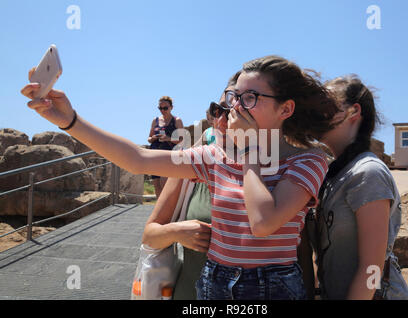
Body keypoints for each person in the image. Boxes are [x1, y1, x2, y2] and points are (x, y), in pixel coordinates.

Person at [21, 55, 340, 300]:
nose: (235, 108)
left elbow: (263, 222)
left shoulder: (308, 160)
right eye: (234, 97)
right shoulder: (217, 156)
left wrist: (251, 150)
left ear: (285, 110)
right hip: (213, 281)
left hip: (272, 286)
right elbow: (138, 158)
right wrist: (70, 120)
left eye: (250, 98)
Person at [306, 75, 408, 300]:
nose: (316, 112)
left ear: (353, 112)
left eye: (326, 104)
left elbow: (372, 268)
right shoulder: (332, 175)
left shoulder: (368, 173)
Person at [141, 79, 236, 299]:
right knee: (159, 187)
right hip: (189, 293)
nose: (221, 119)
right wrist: (176, 231)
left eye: (230, 112)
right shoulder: (193, 169)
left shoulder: (283, 170)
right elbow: (149, 236)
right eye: (216, 110)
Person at [147, 96, 184, 198]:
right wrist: (153, 137)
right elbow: (149, 138)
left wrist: (168, 138)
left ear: (171, 107)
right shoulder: (155, 120)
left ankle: (169, 211)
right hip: (154, 155)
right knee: (157, 186)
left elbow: (183, 139)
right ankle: (159, 211)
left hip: (168, 155)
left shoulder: (177, 120)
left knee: (165, 184)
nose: (162, 110)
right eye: (160, 108)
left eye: (165, 108)